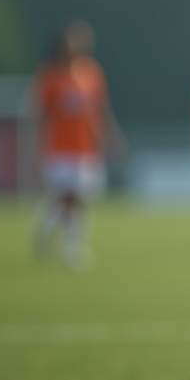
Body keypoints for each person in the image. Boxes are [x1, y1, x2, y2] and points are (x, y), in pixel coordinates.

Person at [33, 21, 125, 270]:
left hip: (86, 148)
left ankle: (48, 226)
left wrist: (112, 137)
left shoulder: (92, 73)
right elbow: (41, 115)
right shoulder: (51, 76)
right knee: (68, 198)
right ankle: (73, 248)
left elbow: (101, 111)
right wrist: (38, 149)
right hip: (60, 148)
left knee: (79, 199)